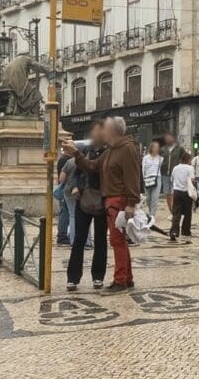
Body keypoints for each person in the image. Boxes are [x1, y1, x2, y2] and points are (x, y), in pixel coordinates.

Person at [61, 116, 139, 291]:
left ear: (112, 131)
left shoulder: (127, 148)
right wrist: (76, 153)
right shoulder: (111, 150)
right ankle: (127, 277)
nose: (102, 131)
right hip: (110, 200)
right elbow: (92, 166)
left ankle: (120, 280)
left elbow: (132, 177)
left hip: (118, 200)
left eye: (105, 128)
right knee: (118, 241)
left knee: (117, 241)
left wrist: (131, 203)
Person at [65, 122, 108, 291]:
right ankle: (73, 278)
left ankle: (98, 276)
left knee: (100, 240)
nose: (94, 134)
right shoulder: (85, 151)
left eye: (97, 130)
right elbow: (77, 171)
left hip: (102, 200)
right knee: (79, 240)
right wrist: (75, 186)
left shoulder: (108, 153)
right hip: (83, 200)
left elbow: (97, 170)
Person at [169, 151, 196, 241]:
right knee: (188, 213)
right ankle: (186, 231)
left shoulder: (175, 168)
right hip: (186, 192)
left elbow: (172, 179)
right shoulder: (190, 168)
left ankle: (174, 231)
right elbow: (192, 180)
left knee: (176, 213)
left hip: (176, 192)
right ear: (188, 159)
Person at [53, 146, 76, 244]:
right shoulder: (66, 160)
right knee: (67, 213)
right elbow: (61, 178)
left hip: (66, 190)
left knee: (67, 213)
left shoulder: (65, 160)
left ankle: (64, 235)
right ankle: (62, 236)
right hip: (67, 190)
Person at [141, 139, 163, 222]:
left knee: (155, 198)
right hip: (147, 179)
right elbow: (143, 169)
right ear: (151, 148)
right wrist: (144, 179)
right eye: (155, 147)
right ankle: (150, 211)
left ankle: (152, 215)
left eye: (158, 147)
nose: (157, 149)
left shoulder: (160, 158)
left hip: (157, 178)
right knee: (148, 198)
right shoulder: (146, 158)